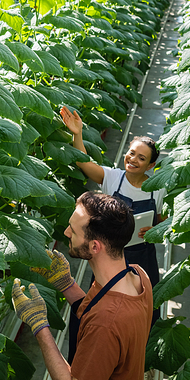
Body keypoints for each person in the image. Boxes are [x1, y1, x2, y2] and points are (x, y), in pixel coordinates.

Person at [12, 191, 153, 380]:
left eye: (73, 231)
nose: (65, 233)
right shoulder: (136, 276)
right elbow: (102, 315)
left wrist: (39, 326)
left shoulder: (108, 319)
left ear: (95, 246)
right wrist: (66, 283)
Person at [59, 105, 165, 290]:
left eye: (141, 158)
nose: (133, 159)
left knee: (141, 299)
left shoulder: (157, 189)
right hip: (108, 255)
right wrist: (78, 133)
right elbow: (83, 163)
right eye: (131, 153)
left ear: (150, 165)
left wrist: (153, 231)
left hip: (142, 257)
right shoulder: (113, 177)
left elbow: (162, 222)